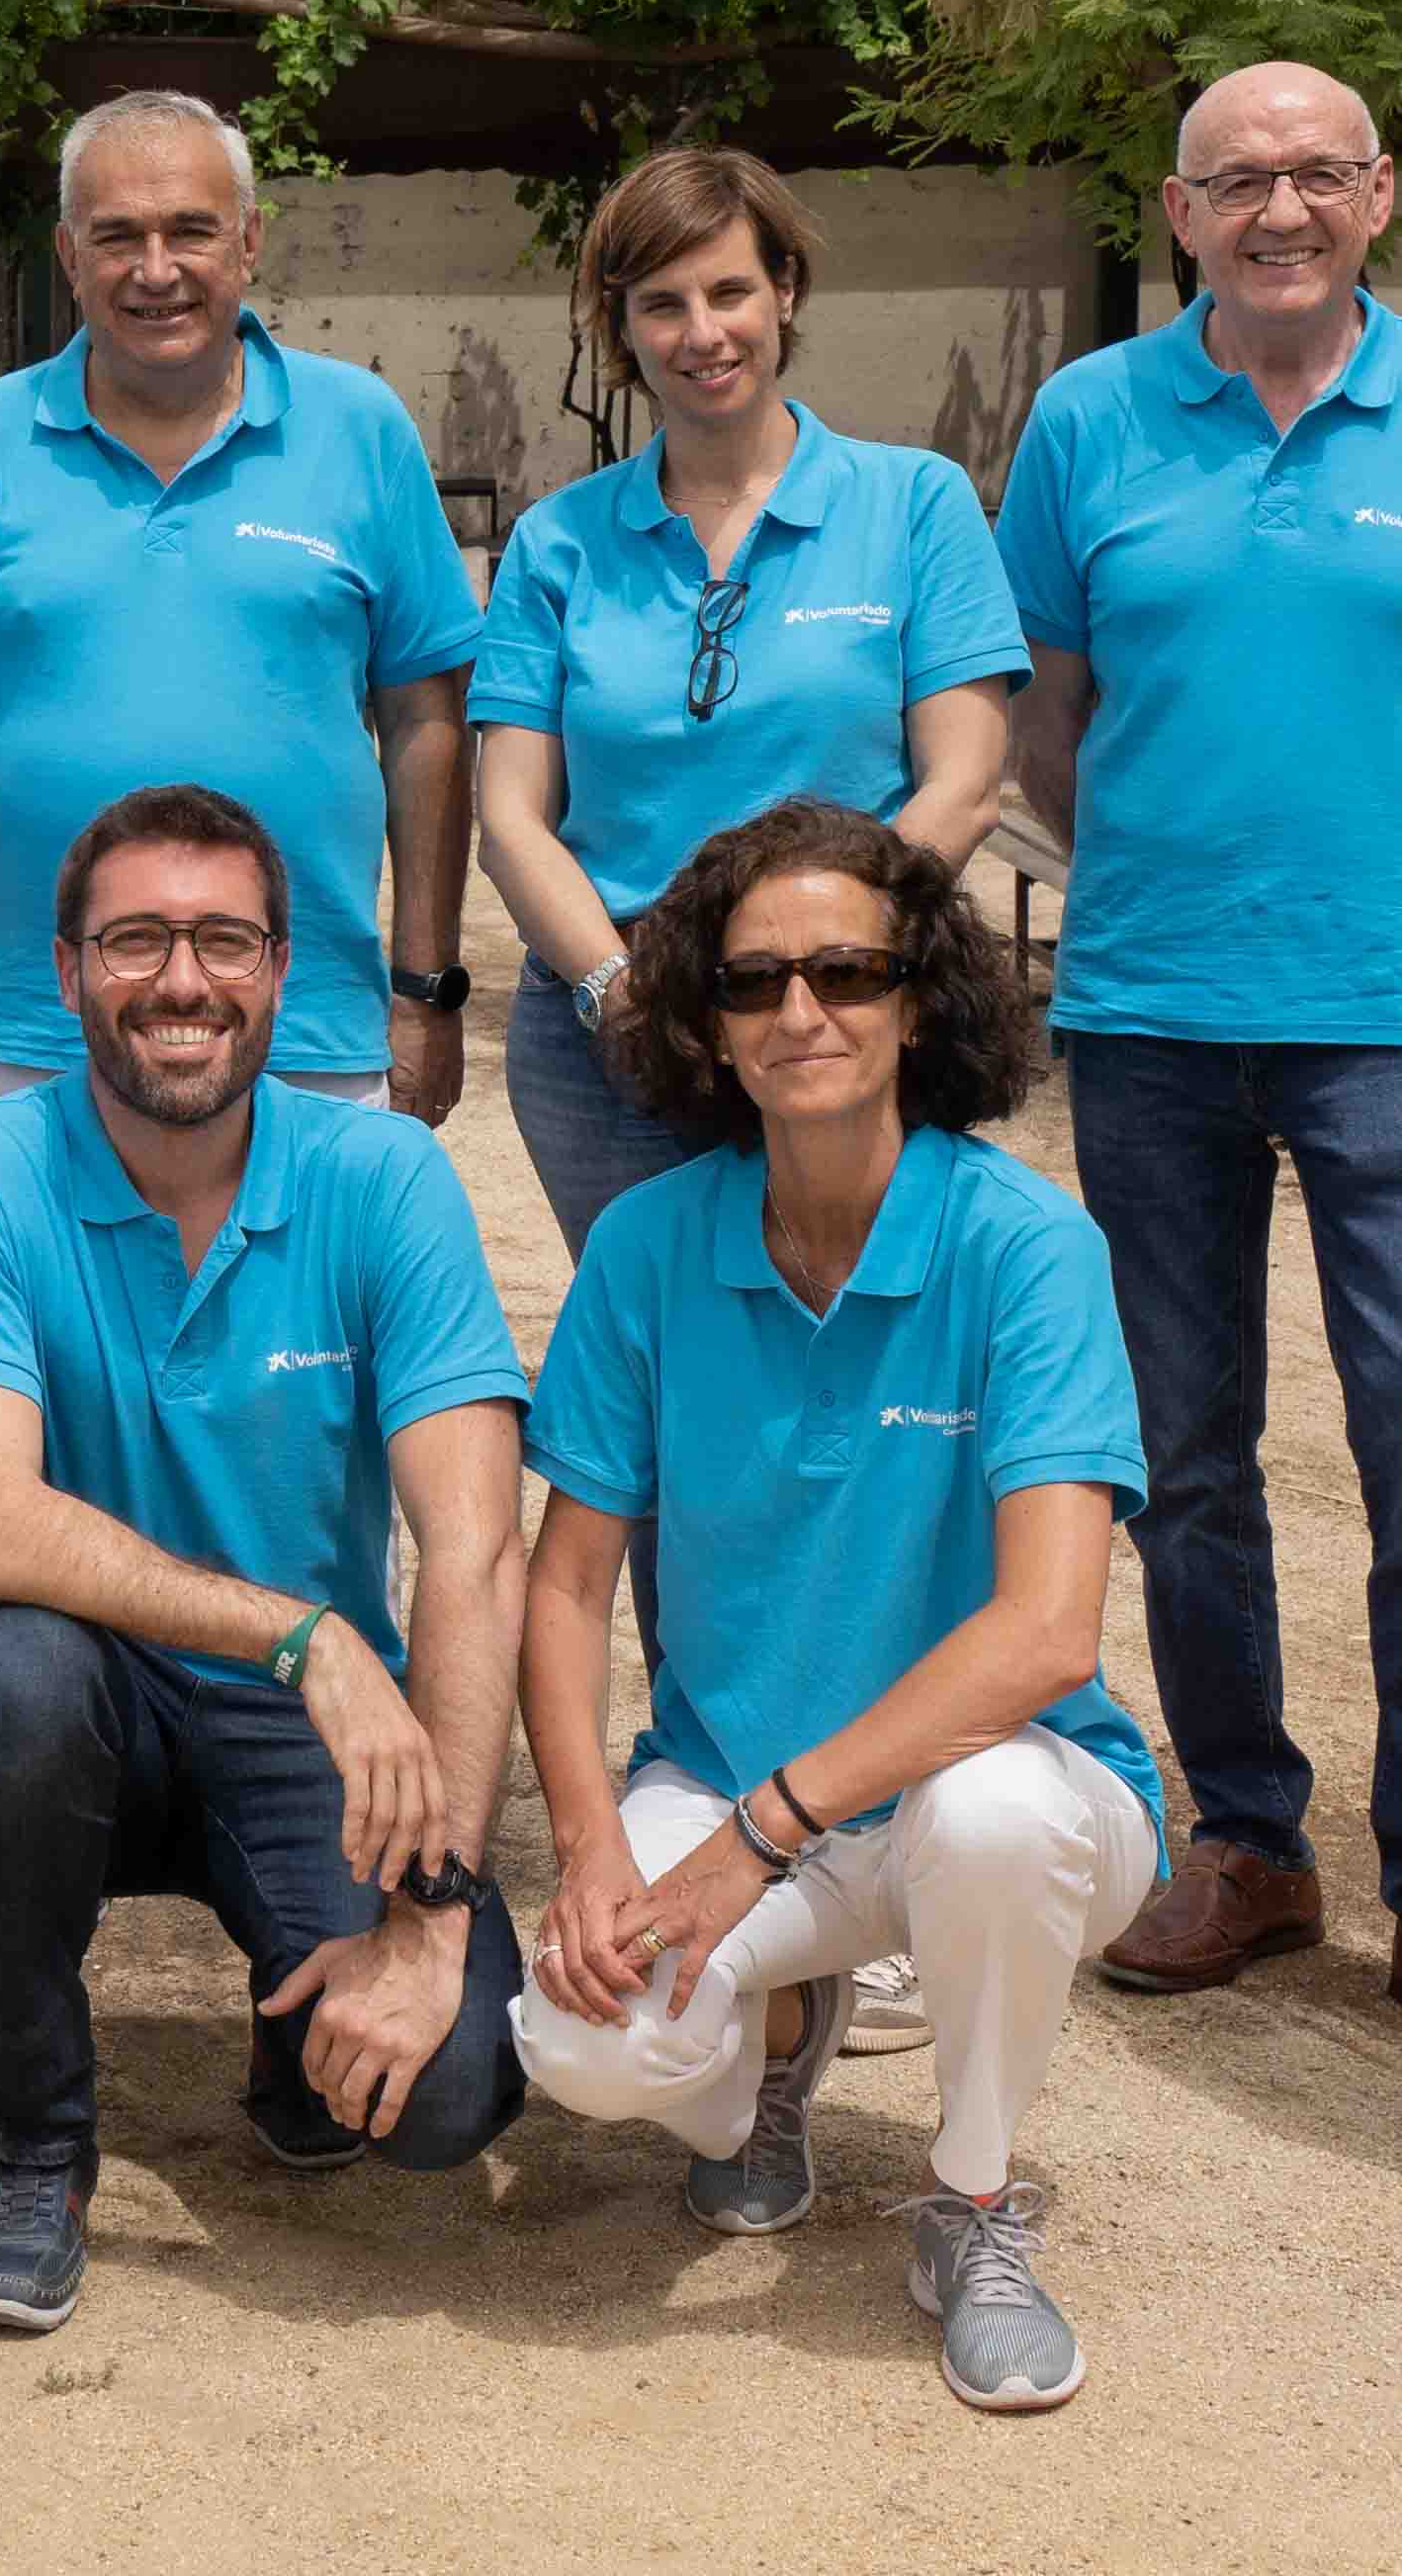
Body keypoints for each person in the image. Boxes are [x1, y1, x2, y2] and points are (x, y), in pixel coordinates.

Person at [992, 62, 1402, 2084]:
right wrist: (1163, 848)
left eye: (1319, 170)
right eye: (1241, 178)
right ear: (1180, 209)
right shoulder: (1089, 422)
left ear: (1380, 193)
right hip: (1149, 1002)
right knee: (1181, 1452)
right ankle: (1247, 1835)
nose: (1283, 206)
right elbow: (1047, 712)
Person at [471, 144, 1027, 2063]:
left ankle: (868, 1851)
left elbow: (968, 751)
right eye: (658, 304)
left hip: (845, 1019)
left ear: (788, 289)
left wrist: (826, 942)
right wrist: (630, 978)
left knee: (872, 1430)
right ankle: (691, 1810)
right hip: (619, 1032)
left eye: (730, 290)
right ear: (615, 332)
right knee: (686, 1430)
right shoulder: (561, 541)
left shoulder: (913, 506)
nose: (700, 331)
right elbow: (513, 809)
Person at [510, 801, 1164, 2417]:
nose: (802, 1012)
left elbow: (1048, 1638)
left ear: (920, 999)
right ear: (706, 1027)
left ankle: (973, 2201)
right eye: (754, 984)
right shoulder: (650, 1246)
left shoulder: (1026, 1247)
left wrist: (758, 1840)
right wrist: (595, 1843)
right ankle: (778, 2047)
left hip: (1001, 1787)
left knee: (997, 1814)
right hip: (732, 1787)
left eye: (848, 972)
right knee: (577, 2041)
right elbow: (566, 1582)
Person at [0, 782, 536, 2337]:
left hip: (294, 1732)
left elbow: (475, 1546)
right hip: (89, 1695)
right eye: (136, 941)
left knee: (447, 2093)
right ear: (63, 972)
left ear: (284, 966)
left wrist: (433, 1903)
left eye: (223, 940)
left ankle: (289, 2017)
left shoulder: (383, 1180)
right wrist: (306, 1636)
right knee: (5, 1666)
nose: (183, 981)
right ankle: (32, 2141)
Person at [0, 91, 482, 1160]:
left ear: (247, 239)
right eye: (117, 236)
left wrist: (424, 991)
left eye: (189, 229)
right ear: (68, 253)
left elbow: (427, 725)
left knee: (302, 1329)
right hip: (27, 1037)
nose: (156, 268)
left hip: (309, 1033)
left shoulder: (362, 430)